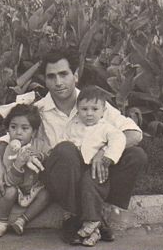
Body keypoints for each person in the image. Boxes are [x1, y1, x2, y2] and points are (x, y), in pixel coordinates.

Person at [0, 48, 147, 244]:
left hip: (94, 173)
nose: (58, 82)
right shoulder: (39, 110)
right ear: (45, 81)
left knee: (136, 155)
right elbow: (10, 137)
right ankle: (75, 217)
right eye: (51, 76)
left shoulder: (92, 103)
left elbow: (134, 133)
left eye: (64, 74)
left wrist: (104, 152)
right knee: (65, 149)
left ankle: (99, 214)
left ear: (76, 76)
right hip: (60, 174)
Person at [61, 85, 126, 246]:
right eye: (84, 109)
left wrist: (108, 157)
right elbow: (65, 141)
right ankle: (94, 231)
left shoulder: (106, 128)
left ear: (103, 110)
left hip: (97, 169)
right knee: (82, 188)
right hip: (78, 167)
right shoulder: (73, 126)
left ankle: (92, 221)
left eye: (94, 109)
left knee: (89, 187)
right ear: (77, 110)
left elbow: (119, 139)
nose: (89, 113)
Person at [0, 104, 50, 238]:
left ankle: (22, 220)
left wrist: (40, 156)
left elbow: (48, 154)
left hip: (31, 187)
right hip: (13, 184)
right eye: (13, 127)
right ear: (8, 130)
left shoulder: (38, 143)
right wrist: (18, 164)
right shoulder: (9, 149)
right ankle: (1, 222)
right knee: (9, 192)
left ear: (33, 132)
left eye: (25, 128)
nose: (18, 132)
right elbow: (10, 180)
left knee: (46, 195)